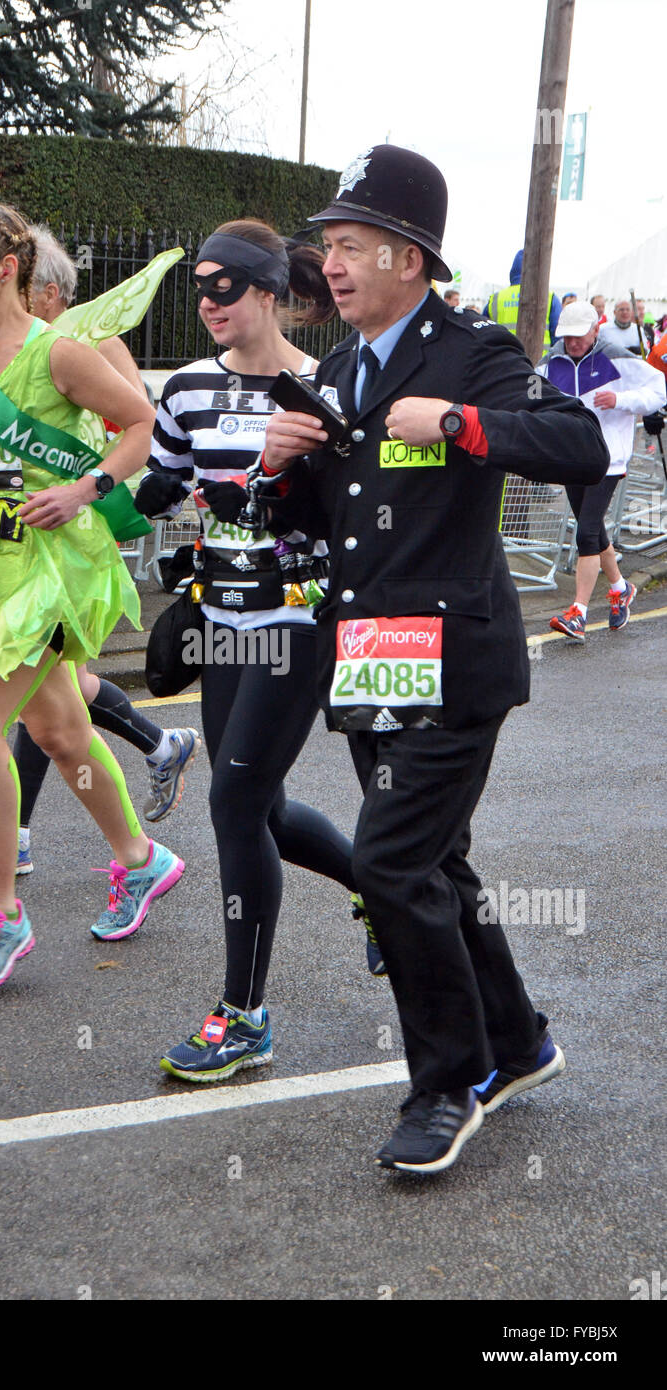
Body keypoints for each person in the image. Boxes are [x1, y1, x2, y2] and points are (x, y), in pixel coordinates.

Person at [262, 144, 610, 1174]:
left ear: (410, 258)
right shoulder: (338, 368)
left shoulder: (470, 351)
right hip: (374, 653)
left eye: (353, 244)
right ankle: (517, 1041)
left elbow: (578, 442)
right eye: (327, 245)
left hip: (457, 655)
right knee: (435, 861)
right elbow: (338, 519)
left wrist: (459, 423)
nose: (331, 262)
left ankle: (447, 1084)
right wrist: (287, 469)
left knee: (392, 861)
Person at [0, 201, 184, 992]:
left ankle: (0, 915)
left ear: (5, 268)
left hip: (55, 570)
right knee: (58, 731)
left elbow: (138, 423)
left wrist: (86, 490)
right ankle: (140, 859)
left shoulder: (58, 355)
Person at [132, 218, 367, 1084]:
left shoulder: (325, 387)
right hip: (219, 623)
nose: (207, 302)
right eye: (199, 286)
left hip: (298, 626)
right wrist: (97, 493)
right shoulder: (188, 388)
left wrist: (249, 488)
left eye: (223, 285)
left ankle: (244, 1016)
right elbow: (157, 483)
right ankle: (374, 887)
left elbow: (345, 507)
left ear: (267, 292)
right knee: (258, 810)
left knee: (232, 802)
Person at [0, 225, 199, 880]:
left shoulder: (86, 343)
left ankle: (8, 878)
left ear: (49, 293)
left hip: (76, 533)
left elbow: (139, 421)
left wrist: (80, 474)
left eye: (28, 290)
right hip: (9, 547)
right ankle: (142, 820)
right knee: (58, 715)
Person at [537, 300, 665, 639]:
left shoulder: (617, 357)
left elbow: (658, 390)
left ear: (596, 329)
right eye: (567, 337)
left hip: (607, 460)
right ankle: (621, 588)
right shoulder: (551, 362)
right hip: (571, 458)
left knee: (585, 533)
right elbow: (528, 395)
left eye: (579, 336)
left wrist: (620, 401)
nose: (573, 343)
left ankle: (577, 613)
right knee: (592, 531)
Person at [486, 249, 561, 349]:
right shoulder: (550, 298)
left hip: (503, 361)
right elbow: (558, 337)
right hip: (539, 362)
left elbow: (483, 334)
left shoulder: (496, 299)